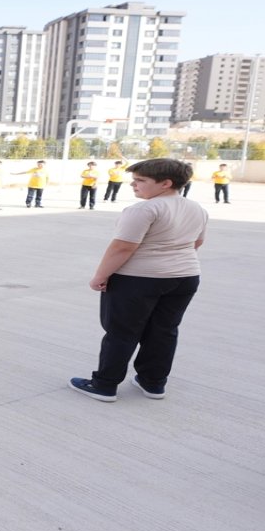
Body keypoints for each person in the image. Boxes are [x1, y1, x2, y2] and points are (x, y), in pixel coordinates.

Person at [69, 159, 207, 403]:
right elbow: (196, 242)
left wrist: (100, 276)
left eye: (141, 180)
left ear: (166, 183)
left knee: (121, 332)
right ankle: (153, 383)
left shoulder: (144, 210)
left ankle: (104, 384)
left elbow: (123, 248)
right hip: (185, 277)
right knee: (164, 331)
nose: (133, 184)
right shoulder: (197, 208)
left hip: (139, 280)